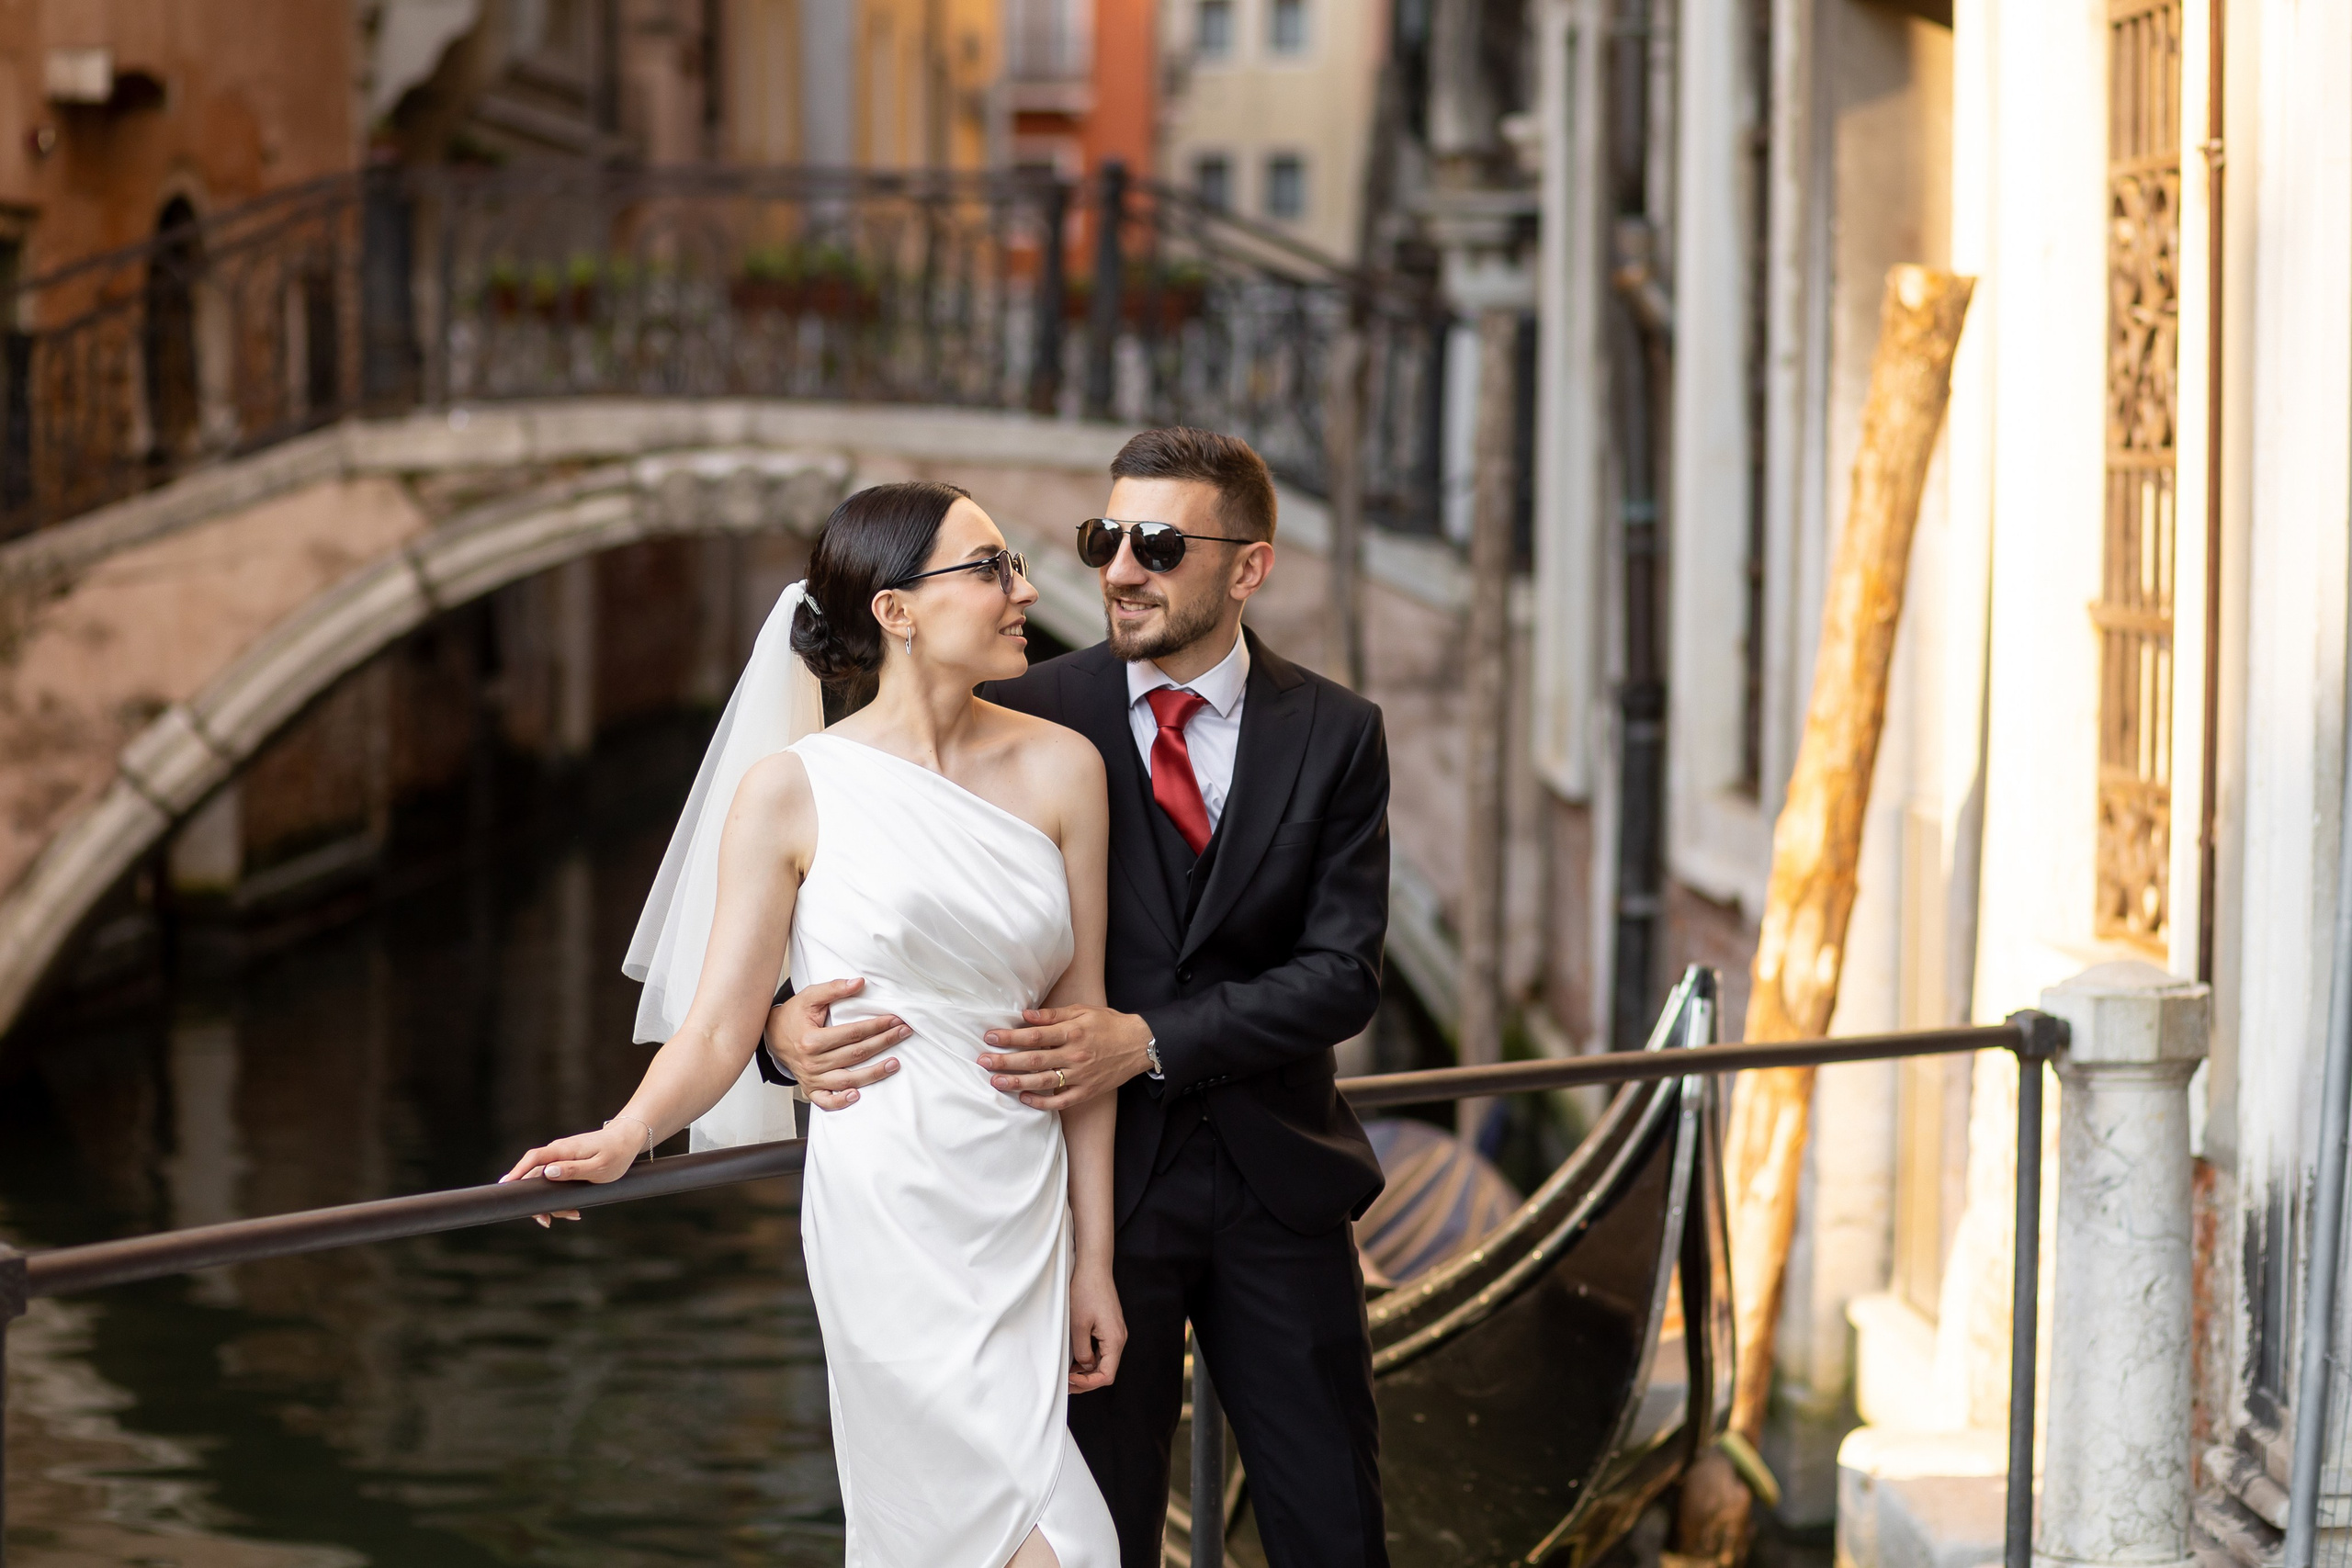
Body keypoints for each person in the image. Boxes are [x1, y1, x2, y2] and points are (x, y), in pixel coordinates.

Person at [768, 429, 1394, 1568]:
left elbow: (1342, 975)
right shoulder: (1021, 703)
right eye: (1105, 538)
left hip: (1281, 1198)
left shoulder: (1338, 733)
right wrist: (779, 1031)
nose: (1117, 569)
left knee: (1334, 1534)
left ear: (1247, 568)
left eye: (1155, 544)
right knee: (1094, 1533)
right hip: (1071, 1218)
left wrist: (1146, 1040)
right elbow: (851, 888)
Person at [502, 480, 1125, 1568]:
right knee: (1059, 1550)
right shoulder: (791, 793)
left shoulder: (1066, 769)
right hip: (885, 1207)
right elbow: (715, 1030)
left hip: (1023, 1215)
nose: (1025, 590)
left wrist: (1095, 1261)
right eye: (990, 569)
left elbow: (1082, 1034)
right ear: (895, 611)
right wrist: (622, 1135)